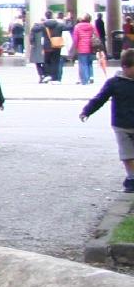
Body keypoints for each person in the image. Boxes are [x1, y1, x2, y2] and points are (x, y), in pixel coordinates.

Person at [79, 50, 134, 194]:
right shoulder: (114, 83)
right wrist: (87, 110)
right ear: (125, 67)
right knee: (127, 154)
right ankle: (131, 178)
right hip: (121, 125)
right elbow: (100, 98)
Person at [72, 13, 98, 85]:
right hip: (91, 47)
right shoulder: (92, 26)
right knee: (89, 63)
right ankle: (91, 77)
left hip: (81, 47)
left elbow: (75, 38)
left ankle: (85, 80)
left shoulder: (77, 27)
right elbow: (97, 36)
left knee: (83, 64)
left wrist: (76, 47)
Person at [44, 12, 67, 82]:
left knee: (47, 61)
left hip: (47, 45)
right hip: (57, 44)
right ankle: (55, 78)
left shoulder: (43, 25)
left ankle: (48, 75)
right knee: (56, 62)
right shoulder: (59, 25)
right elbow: (69, 27)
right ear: (52, 16)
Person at [28, 15, 48, 81]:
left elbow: (31, 38)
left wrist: (32, 44)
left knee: (37, 63)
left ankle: (41, 75)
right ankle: (45, 75)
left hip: (36, 47)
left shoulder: (34, 28)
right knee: (45, 62)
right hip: (44, 47)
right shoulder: (45, 28)